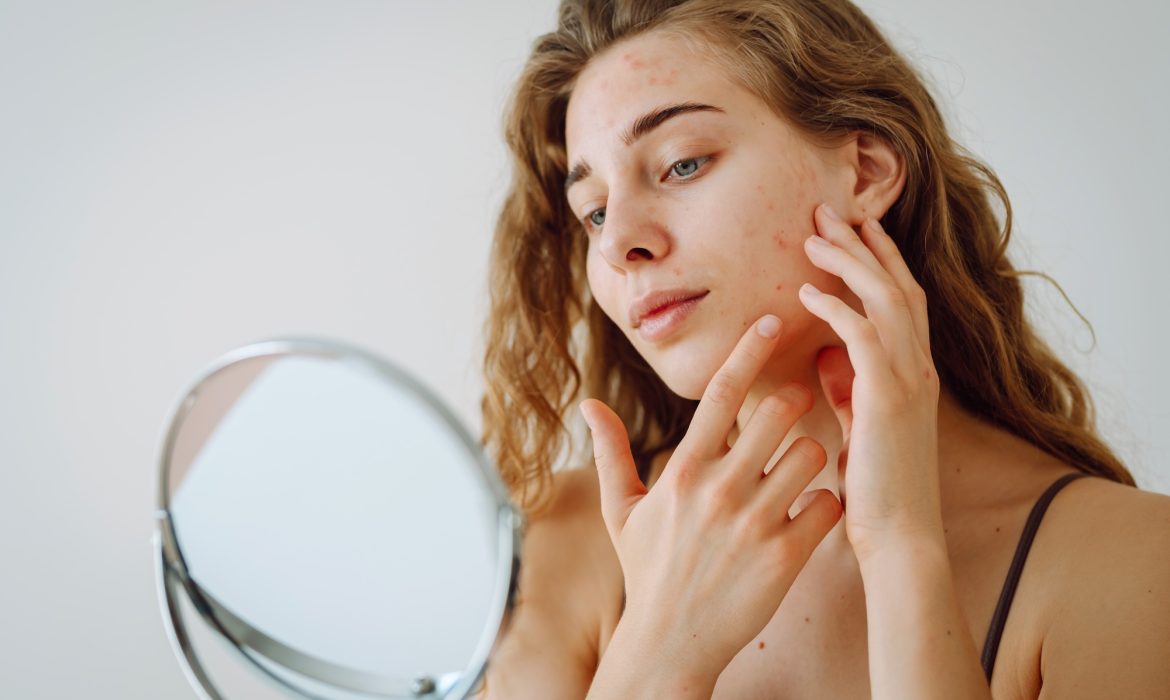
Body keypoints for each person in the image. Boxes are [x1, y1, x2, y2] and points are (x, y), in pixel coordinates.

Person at [476, 0, 1170, 697]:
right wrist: (660, 647)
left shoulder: (1130, 566)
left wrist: (903, 548)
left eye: (683, 164)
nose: (621, 241)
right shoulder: (556, 546)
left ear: (864, 172)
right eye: (592, 211)